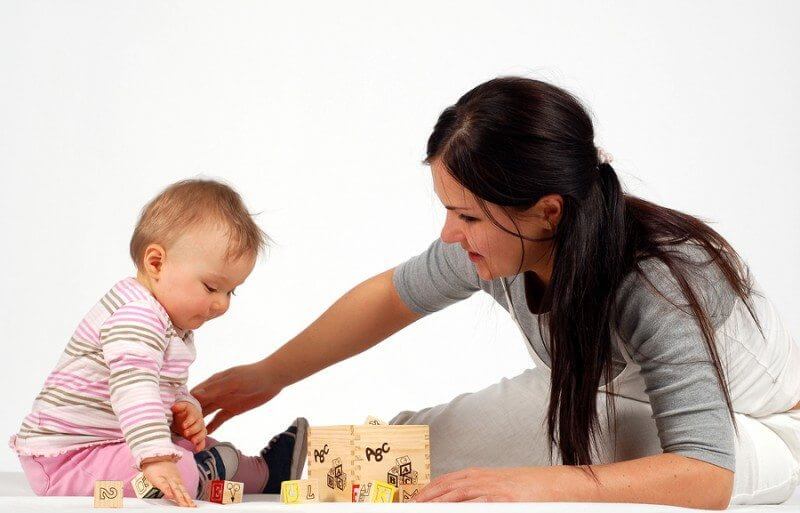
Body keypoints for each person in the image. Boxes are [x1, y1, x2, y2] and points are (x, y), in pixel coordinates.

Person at [191, 77, 800, 509]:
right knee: (448, 451)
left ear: (546, 213)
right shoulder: (504, 244)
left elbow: (706, 473)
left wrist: (536, 483)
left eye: (468, 217)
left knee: (603, 450)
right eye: (448, 210)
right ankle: (284, 466)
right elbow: (389, 298)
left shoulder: (657, 284)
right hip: (605, 391)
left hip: (755, 430)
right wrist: (269, 373)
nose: (449, 235)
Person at [10, 179, 308, 507]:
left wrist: (186, 410)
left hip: (116, 442)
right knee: (178, 463)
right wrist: (154, 456)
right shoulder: (135, 315)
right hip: (70, 458)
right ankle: (209, 471)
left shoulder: (165, 322)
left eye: (230, 291)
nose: (222, 304)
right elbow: (134, 385)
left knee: (197, 446)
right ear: (156, 263)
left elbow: (162, 388)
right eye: (211, 288)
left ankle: (267, 473)